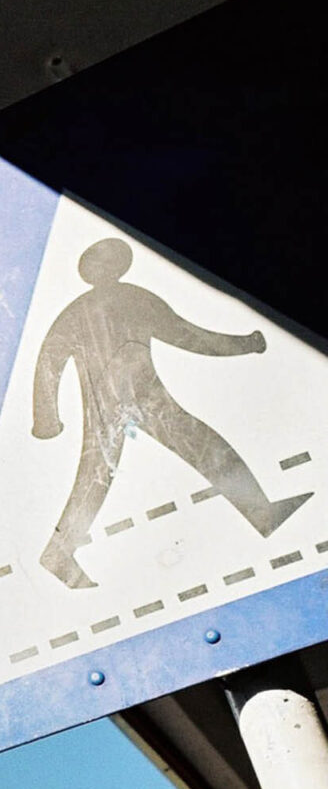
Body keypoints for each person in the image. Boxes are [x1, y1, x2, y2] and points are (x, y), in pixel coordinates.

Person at [31, 237, 310, 588]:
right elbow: (50, 362)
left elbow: (187, 336)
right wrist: (247, 344)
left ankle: (263, 512)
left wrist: (47, 422)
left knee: (187, 451)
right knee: (100, 477)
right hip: (122, 403)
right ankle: (58, 553)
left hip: (144, 398)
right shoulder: (121, 301)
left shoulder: (120, 302)